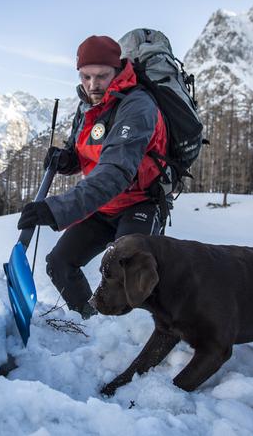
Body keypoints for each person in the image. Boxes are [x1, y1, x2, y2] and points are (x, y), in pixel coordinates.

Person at [17, 34, 167, 319]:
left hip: (139, 204)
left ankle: (139, 337)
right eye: (85, 76)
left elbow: (115, 172)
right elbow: (85, 151)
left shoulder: (137, 106)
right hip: (102, 206)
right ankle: (93, 324)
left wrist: (56, 209)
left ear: (118, 69)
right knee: (60, 263)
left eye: (101, 76)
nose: (92, 85)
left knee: (130, 276)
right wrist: (68, 159)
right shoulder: (87, 104)